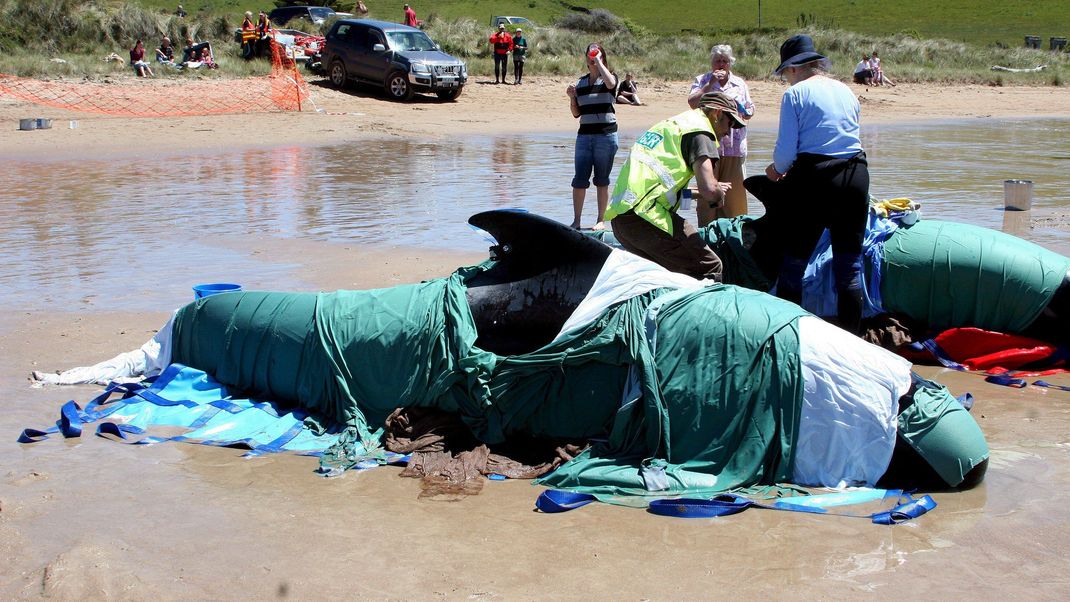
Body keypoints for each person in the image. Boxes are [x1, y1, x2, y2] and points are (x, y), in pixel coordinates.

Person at [763, 34, 870, 334]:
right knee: (849, 266)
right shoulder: (846, 90)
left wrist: (775, 170)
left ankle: (790, 334)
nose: (786, 79)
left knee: (794, 262)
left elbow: (786, 152)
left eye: (785, 73)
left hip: (817, 178)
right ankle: (853, 338)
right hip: (856, 175)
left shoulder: (795, 95)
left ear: (794, 68)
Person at [604, 91, 745, 281]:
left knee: (662, 274)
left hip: (621, 220)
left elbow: (664, 189)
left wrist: (700, 193)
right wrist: (717, 195)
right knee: (710, 265)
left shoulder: (675, 125)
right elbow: (710, 190)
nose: (730, 131)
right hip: (646, 218)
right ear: (717, 114)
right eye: (731, 123)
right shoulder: (701, 133)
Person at [686, 44, 754, 223]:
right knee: (707, 194)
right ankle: (706, 233)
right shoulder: (702, 80)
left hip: (734, 146)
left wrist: (742, 111)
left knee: (734, 197)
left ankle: (734, 234)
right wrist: (710, 84)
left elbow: (749, 109)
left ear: (730, 63)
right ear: (712, 63)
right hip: (708, 146)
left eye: (725, 61)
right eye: (718, 61)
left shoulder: (739, 83)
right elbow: (692, 103)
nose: (721, 65)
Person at [566, 43, 618, 230]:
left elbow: (612, 84)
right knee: (580, 179)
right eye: (590, 54)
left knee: (602, 179)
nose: (593, 58)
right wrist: (572, 98)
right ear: (586, 58)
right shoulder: (581, 82)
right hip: (584, 136)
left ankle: (600, 220)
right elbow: (576, 113)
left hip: (606, 136)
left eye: (597, 54)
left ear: (602, 57)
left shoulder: (609, 79)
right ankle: (577, 221)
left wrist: (599, 63)